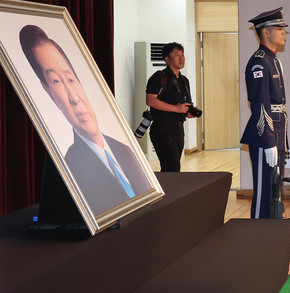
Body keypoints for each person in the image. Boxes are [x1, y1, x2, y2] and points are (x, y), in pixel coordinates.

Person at [19, 25, 150, 215]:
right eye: (56, 81)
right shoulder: (71, 168)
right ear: (48, 91)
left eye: (71, 79)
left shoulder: (124, 148)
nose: (74, 97)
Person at [241, 7, 289, 219]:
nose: (283, 32)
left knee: (275, 190)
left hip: (277, 131)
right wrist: (269, 140)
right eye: (279, 28)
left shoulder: (273, 59)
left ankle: (272, 233)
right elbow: (260, 103)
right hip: (265, 136)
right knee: (264, 191)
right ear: (266, 32)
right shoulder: (259, 62)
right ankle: (257, 234)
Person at [145, 42, 198, 172]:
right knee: (172, 168)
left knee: (173, 168)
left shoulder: (184, 80)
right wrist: (176, 108)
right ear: (167, 59)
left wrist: (188, 112)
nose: (181, 58)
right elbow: (150, 100)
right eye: (176, 55)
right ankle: (165, 186)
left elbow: (184, 102)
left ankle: (166, 185)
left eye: (182, 55)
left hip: (178, 128)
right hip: (162, 128)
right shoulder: (159, 77)